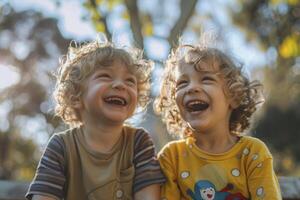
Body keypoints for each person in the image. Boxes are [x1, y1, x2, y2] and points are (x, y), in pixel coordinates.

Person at [26, 37, 165, 200]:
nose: (121, 85)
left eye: (130, 81)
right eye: (105, 76)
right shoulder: (61, 147)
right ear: (76, 97)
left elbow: (149, 196)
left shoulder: (138, 142)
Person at [154, 42, 282, 199]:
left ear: (234, 97)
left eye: (206, 79)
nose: (192, 88)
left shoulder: (252, 153)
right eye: (182, 83)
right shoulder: (172, 157)